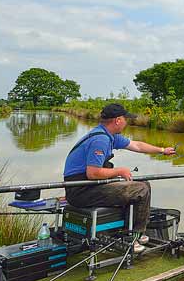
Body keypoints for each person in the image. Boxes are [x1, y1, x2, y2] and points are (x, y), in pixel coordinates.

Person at [62, 103, 175, 253]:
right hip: (81, 191)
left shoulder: (108, 136)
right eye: (125, 118)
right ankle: (133, 238)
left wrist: (162, 150)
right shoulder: (100, 140)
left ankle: (134, 231)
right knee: (139, 189)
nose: (127, 122)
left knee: (143, 184)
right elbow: (93, 173)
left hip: (87, 186)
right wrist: (119, 171)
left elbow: (137, 145)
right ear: (117, 120)